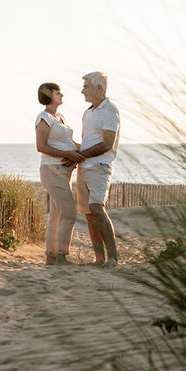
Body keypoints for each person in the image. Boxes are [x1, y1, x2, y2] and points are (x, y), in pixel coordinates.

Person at [34, 82, 84, 265]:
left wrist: (85, 152)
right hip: (52, 169)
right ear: (49, 95)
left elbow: (70, 143)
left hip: (64, 171)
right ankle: (62, 256)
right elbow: (41, 146)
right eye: (58, 93)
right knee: (69, 212)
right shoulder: (43, 118)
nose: (62, 95)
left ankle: (51, 257)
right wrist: (68, 154)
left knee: (56, 213)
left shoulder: (60, 117)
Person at [75, 71, 120, 266]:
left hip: (100, 166)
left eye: (86, 86)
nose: (82, 90)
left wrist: (80, 156)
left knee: (97, 208)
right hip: (83, 166)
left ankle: (113, 258)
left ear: (99, 88)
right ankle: (99, 258)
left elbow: (107, 144)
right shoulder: (88, 112)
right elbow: (86, 141)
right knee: (88, 213)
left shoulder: (110, 110)